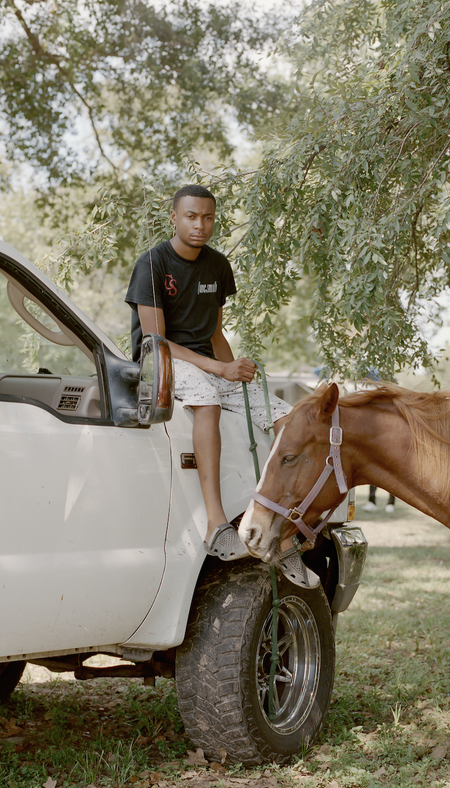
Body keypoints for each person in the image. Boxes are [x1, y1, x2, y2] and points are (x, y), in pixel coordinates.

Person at [126, 184, 316, 586]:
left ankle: (280, 536)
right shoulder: (153, 264)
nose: (201, 225)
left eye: (208, 217)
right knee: (207, 398)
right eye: (192, 216)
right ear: (174, 217)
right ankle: (215, 523)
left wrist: (235, 371)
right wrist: (217, 371)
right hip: (162, 362)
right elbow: (156, 341)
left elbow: (215, 334)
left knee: (286, 416)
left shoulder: (217, 265)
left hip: (207, 361)